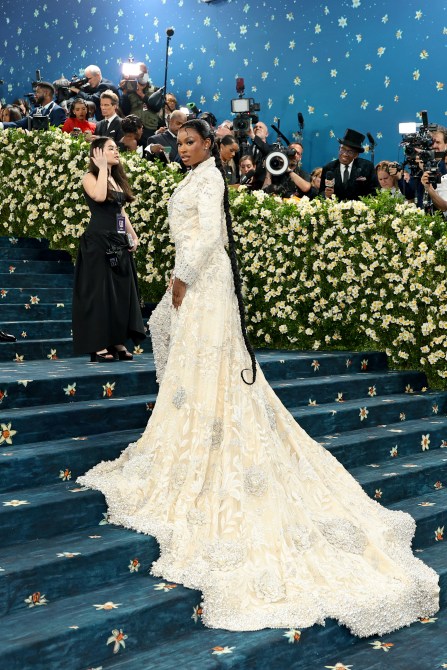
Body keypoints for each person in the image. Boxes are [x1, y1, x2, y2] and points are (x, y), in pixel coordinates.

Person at [78, 119, 439, 635]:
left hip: (203, 282)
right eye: (180, 142)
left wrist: (181, 279)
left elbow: (210, 238)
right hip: (199, 283)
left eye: (191, 142)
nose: (183, 148)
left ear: (209, 145)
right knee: (196, 365)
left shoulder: (211, 178)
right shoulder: (194, 177)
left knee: (211, 362)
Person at [72, 137, 146, 362]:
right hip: (97, 242)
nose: (116, 151)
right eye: (110, 148)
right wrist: (102, 168)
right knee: (100, 294)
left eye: (116, 148)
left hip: (117, 241)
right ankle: (99, 344)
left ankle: (117, 340)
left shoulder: (116, 178)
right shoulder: (90, 177)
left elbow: (119, 212)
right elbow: (99, 196)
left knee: (119, 294)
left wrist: (131, 235)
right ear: (98, 153)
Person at [319, 128, 378, 201]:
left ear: (356, 155)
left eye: (350, 152)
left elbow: (374, 192)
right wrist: (326, 195)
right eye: (342, 149)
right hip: (335, 207)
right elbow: (320, 193)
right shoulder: (328, 168)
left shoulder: (367, 167)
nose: (344, 154)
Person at [120, 62, 162, 142]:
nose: (143, 75)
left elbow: (157, 108)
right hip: (133, 130)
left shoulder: (155, 90)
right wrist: (124, 92)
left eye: (144, 72)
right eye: (140, 72)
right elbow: (125, 111)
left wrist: (142, 95)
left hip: (150, 129)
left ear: (148, 73)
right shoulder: (129, 90)